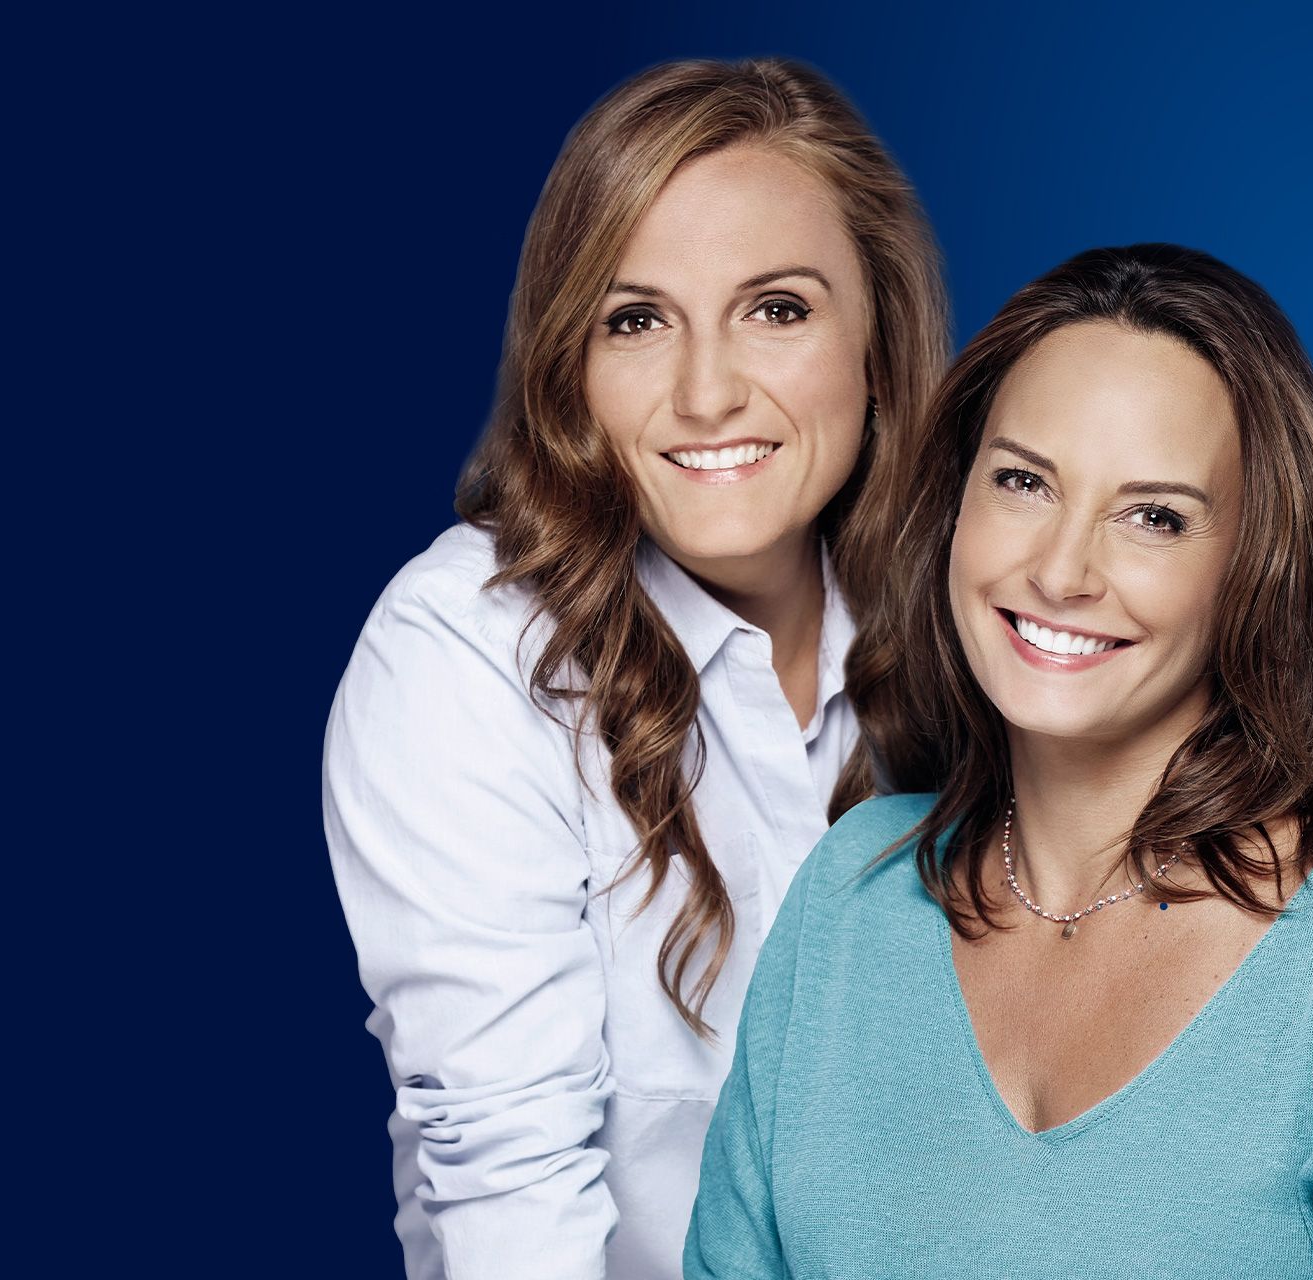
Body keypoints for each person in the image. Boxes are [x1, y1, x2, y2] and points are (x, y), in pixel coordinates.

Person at [687, 244, 1313, 1278]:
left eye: (1154, 517)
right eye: (1023, 481)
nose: (1062, 570)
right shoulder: (850, 894)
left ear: (1256, 566)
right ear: (952, 504)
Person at [321, 58, 947, 1280]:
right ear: (570, 366)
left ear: (878, 344)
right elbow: (508, 1202)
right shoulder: (467, 652)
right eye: (636, 319)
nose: (707, 392)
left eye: (777, 308)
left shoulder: (973, 631)